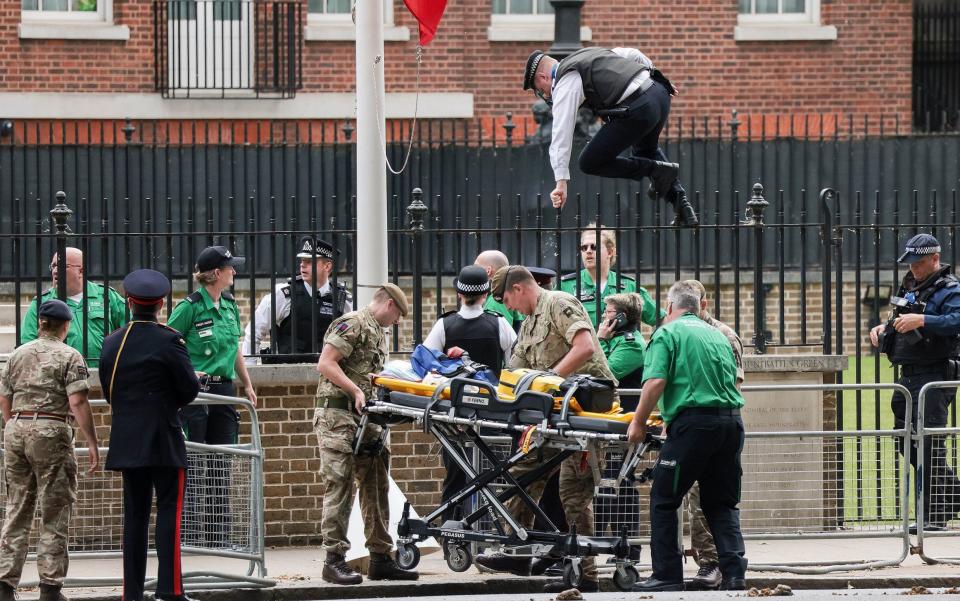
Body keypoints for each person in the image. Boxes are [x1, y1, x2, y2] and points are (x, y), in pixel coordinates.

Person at [475, 266, 617, 593]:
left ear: (520, 288)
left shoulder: (558, 303)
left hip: (588, 408)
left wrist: (547, 382)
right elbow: (516, 372)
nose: (507, 307)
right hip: (554, 413)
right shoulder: (528, 325)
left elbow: (585, 348)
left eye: (506, 299)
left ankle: (587, 574)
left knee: (572, 494)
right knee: (523, 470)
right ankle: (515, 548)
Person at [626, 280, 747, 592]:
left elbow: (655, 383)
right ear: (698, 307)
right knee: (722, 503)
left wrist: (638, 423)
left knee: (664, 498)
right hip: (731, 424)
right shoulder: (717, 335)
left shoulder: (667, 333)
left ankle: (666, 574)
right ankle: (734, 573)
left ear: (669, 308)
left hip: (694, 426)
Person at [100, 269, 202, 601]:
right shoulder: (169, 339)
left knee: (135, 515)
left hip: (128, 438)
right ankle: (169, 589)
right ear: (160, 304)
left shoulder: (113, 340)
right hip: (164, 436)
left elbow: (108, 389)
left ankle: (131, 593)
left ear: (129, 302)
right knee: (169, 511)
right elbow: (189, 390)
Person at [522, 47, 698, 227]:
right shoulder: (589, 55)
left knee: (590, 162)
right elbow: (632, 53)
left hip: (639, 107)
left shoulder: (565, 80)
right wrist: (656, 77)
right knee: (646, 150)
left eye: (539, 90)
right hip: (660, 93)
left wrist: (561, 181)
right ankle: (683, 208)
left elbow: (561, 133)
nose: (544, 94)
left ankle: (654, 170)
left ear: (543, 77)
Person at [314, 283, 418, 585]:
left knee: (376, 487)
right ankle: (333, 560)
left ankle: (381, 558)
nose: (397, 322)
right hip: (337, 417)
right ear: (388, 305)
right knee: (340, 486)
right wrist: (356, 389)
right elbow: (326, 362)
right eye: (397, 315)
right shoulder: (353, 324)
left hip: (366, 419)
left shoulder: (376, 332)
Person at [0, 299, 100, 601]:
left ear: (41, 323)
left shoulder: (16, 354)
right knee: (55, 510)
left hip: (16, 428)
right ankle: (50, 587)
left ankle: (5, 585)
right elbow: (78, 402)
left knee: (16, 507)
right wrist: (92, 442)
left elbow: (4, 399)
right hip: (52, 430)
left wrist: (15, 425)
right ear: (66, 326)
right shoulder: (69, 355)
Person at [167, 245, 257, 548]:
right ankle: (188, 537)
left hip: (224, 391)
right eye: (230, 267)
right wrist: (188, 373)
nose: (235, 272)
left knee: (222, 464)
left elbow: (234, 351)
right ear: (216, 273)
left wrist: (246, 384)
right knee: (192, 463)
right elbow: (168, 347)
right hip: (196, 394)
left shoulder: (230, 306)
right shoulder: (189, 307)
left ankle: (219, 539)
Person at [869, 234, 960, 532]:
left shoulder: (950, 288)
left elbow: (955, 321)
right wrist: (885, 328)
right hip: (908, 373)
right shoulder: (911, 285)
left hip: (935, 373)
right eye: (911, 264)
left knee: (930, 442)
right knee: (906, 440)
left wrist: (923, 321)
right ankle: (953, 497)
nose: (915, 269)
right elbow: (900, 315)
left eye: (920, 264)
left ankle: (933, 517)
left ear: (936, 258)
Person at [423, 265, 517, 523]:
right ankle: (491, 529)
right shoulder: (499, 324)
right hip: (492, 413)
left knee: (454, 475)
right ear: (486, 294)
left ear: (459, 294)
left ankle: (452, 532)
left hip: (454, 414)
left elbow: (427, 366)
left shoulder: (444, 324)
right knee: (492, 475)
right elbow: (514, 367)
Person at [683, 279, 745, 590]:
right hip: (690, 425)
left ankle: (713, 563)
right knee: (692, 496)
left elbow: (733, 384)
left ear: (704, 304)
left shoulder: (723, 335)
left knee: (708, 497)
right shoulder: (679, 331)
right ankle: (717, 563)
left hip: (714, 424)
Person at [243, 236, 353, 364]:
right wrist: (250, 371)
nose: (302, 265)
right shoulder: (284, 294)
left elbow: (351, 338)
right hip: (285, 377)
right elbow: (254, 331)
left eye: (309, 261)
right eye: (302, 260)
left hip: (328, 376)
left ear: (327, 266)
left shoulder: (342, 299)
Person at [594, 292, 646, 558]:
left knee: (620, 482)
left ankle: (629, 548)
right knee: (609, 481)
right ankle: (607, 541)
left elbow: (606, 374)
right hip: (613, 422)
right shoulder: (620, 341)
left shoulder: (631, 344)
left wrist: (600, 340)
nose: (604, 317)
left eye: (609, 312)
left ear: (623, 317)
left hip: (628, 423)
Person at [20, 247, 127, 367]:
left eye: (62, 266)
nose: (55, 271)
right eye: (53, 266)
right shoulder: (42, 302)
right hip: (60, 376)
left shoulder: (106, 296)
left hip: (104, 372)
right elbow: (27, 345)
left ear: (81, 271)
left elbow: (130, 330)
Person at [560, 224, 664, 329]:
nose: (588, 251)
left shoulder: (629, 286)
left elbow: (661, 319)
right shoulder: (566, 285)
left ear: (610, 252)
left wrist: (655, 344)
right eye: (584, 247)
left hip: (621, 345)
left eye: (594, 246)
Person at [474, 250, 523, 329]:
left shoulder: (497, 299)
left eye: (476, 267)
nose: (473, 270)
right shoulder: (508, 291)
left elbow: (503, 334)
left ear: (488, 270)